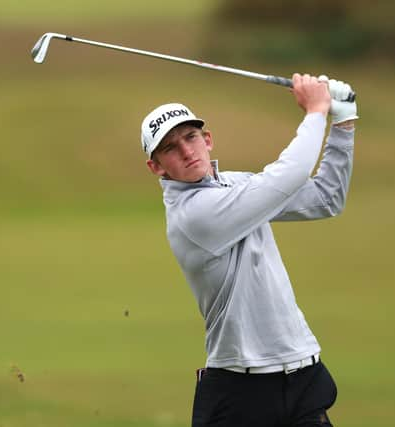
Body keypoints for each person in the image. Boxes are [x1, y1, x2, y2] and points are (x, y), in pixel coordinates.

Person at [140, 74, 357, 427]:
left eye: (190, 137)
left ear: (206, 139)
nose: (185, 150)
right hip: (241, 391)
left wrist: (343, 121)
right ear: (156, 167)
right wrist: (316, 112)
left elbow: (325, 198)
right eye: (169, 148)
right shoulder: (193, 216)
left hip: (302, 374)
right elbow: (285, 178)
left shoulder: (235, 185)